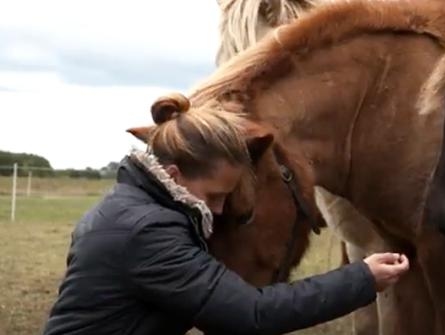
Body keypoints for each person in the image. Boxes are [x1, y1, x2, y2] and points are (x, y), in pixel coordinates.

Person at [42, 93, 410, 335]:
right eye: (215, 195)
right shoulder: (146, 232)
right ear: (173, 175)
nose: (217, 210)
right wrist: (363, 277)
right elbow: (253, 314)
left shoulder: (125, 209)